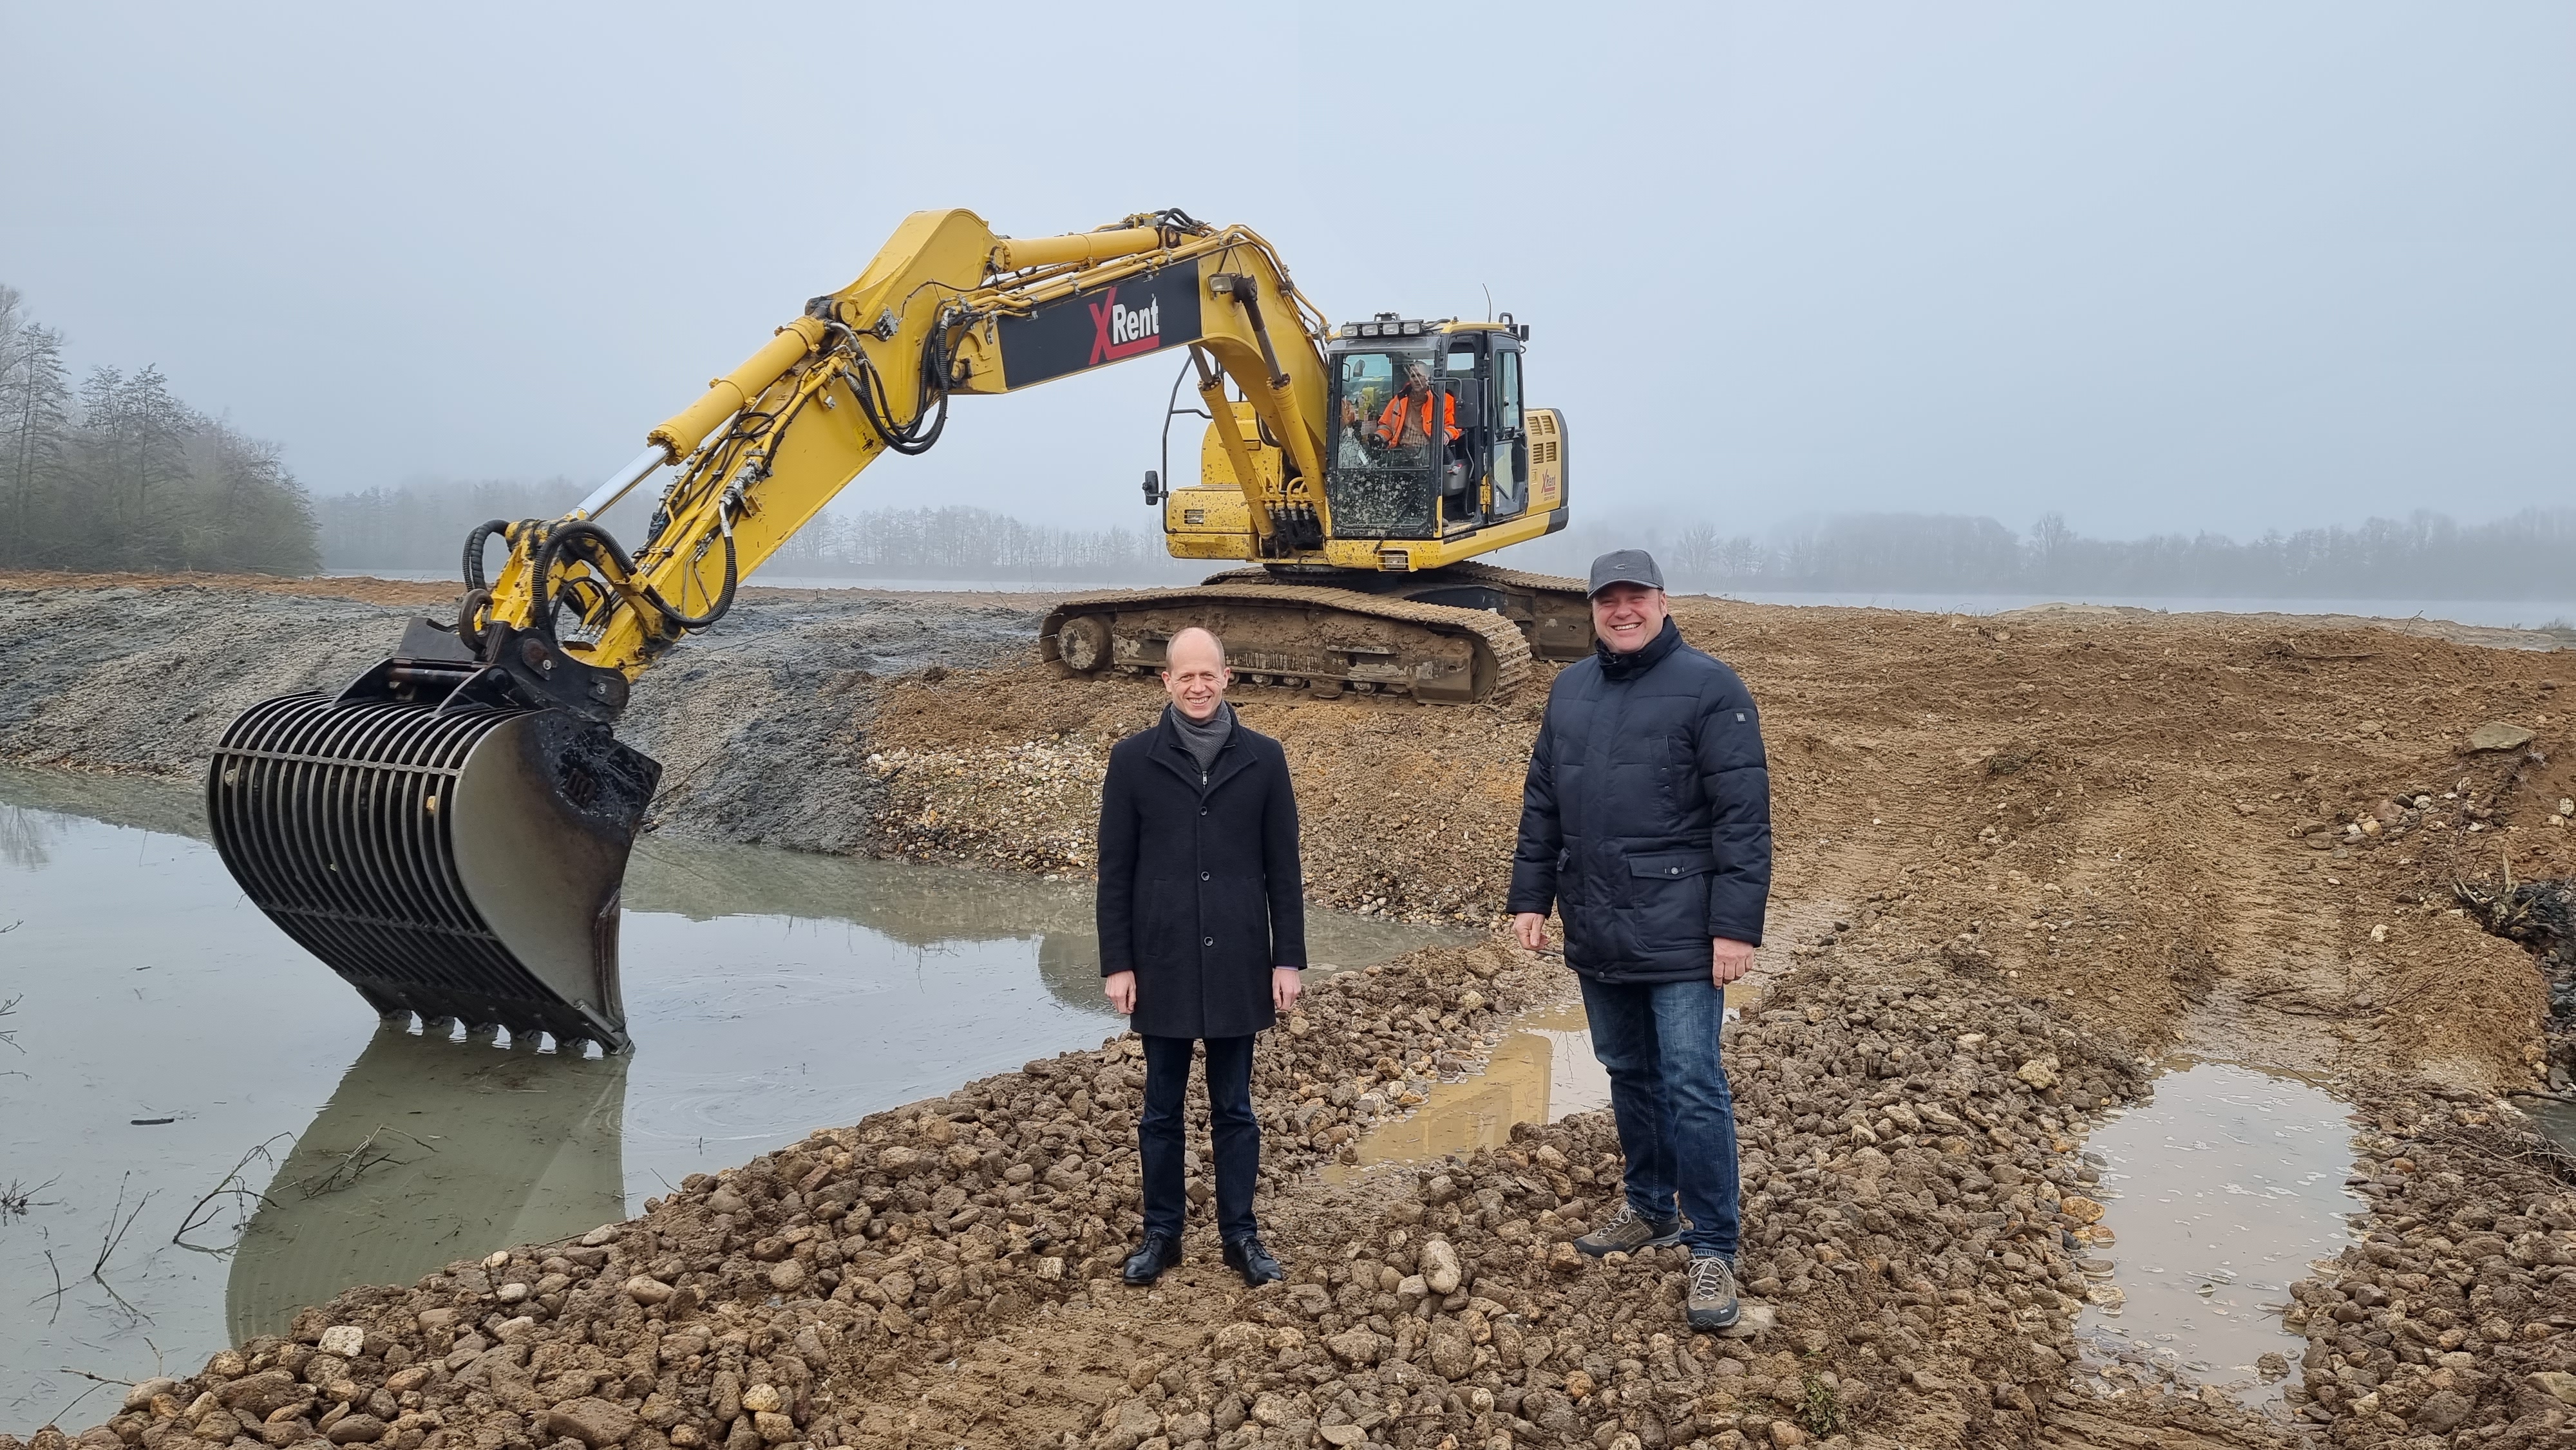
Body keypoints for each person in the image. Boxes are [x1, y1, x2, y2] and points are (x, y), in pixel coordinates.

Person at [1506, 549, 1772, 1332]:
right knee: (1627, 1068)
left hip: (1683, 928)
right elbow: (1543, 800)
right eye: (1607, 600)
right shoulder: (1570, 688)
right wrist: (1531, 898)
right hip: (1597, 918)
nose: (1621, 611)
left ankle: (1713, 1241)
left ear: (1662, 600)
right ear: (1592, 608)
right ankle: (1651, 1206)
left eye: (1635, 597)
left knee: (1692, 1078)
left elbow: (1743, 819)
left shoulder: (1711, 687)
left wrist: (1733, 925)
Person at [1095, 626, 1304, 1288]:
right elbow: (1114, 871)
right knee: (1160, 1109)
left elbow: (1284, 869)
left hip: (1241, 957)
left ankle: (1240, 1234)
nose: (1196, 685)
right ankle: (1162, 1234)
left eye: (1206, 674)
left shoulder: (1265, 758)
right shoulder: (1132, 760)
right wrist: (1117, 962)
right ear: (1165, 681)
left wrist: (1287, 959)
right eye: (1183, 675)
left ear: (1227, 676)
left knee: (1235, 1107)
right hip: (1160, 961)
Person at [1372, 361, 1458, 460]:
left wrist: (1445, 435)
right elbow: (1386, 426)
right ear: (1409, 380)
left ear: (1428, 377)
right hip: (1402, 453)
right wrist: (1379, 437)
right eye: (1413, 376)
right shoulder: (1399, 400)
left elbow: (1452, 427)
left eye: (1420, 375)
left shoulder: (1443, 399)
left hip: (1430, 453)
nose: (1417, 380)